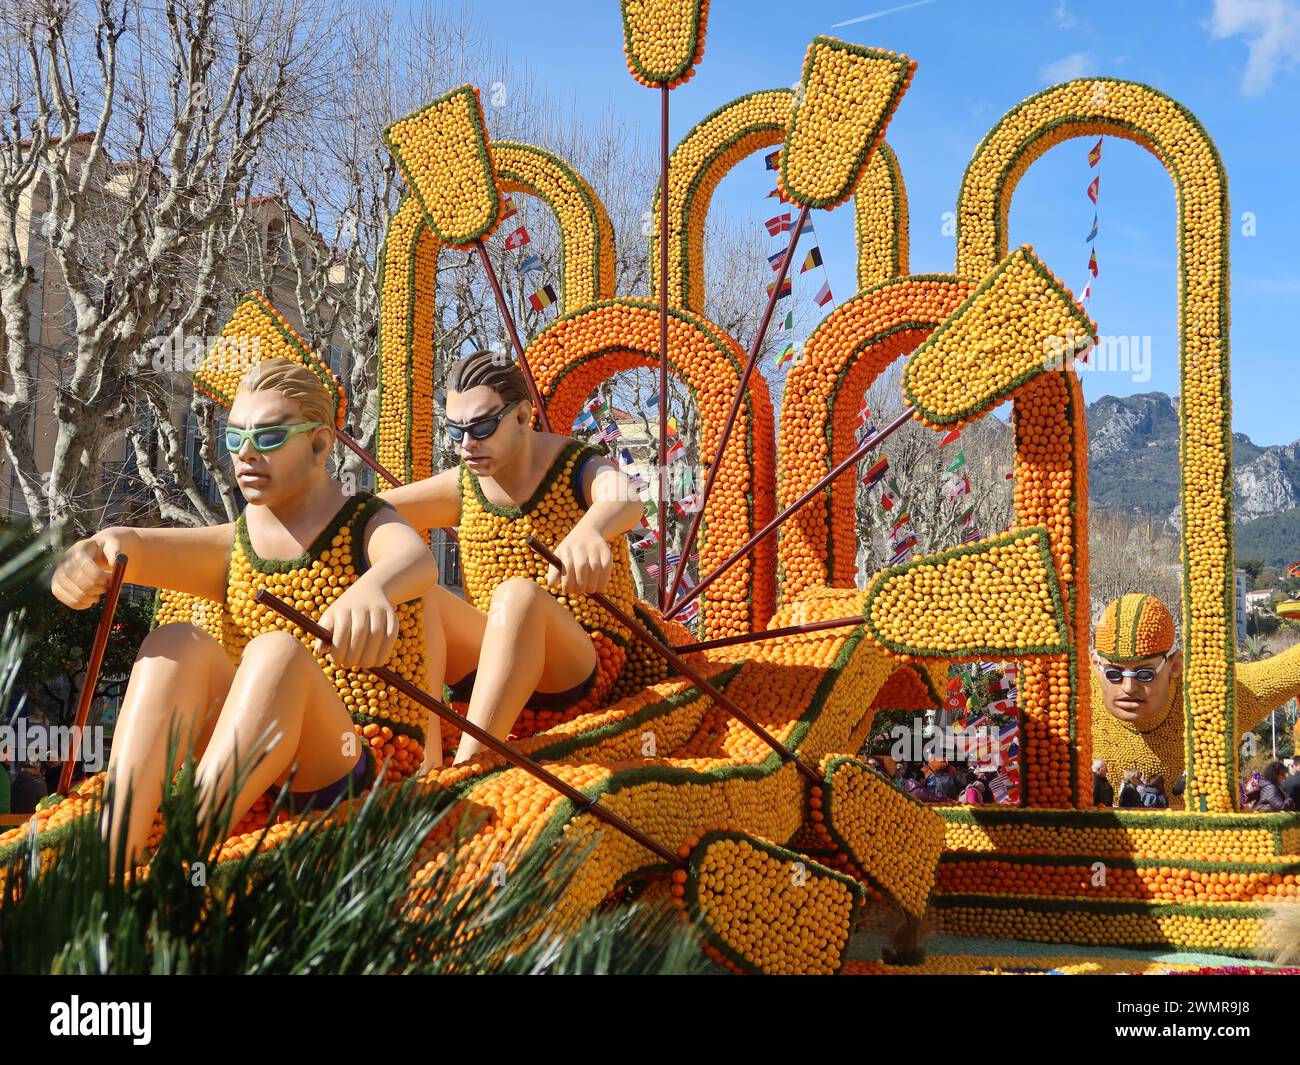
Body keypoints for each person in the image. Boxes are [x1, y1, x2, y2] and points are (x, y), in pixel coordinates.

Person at [50, 356, 441, 872]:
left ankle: (179, 862)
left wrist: (373, 589)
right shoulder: (238, 542)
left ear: (321, 444)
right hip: (250, 760)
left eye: (270, 438)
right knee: (174, 643)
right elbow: (134, 547)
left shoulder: (363, 519)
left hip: (353, 760)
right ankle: (108, 860)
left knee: (276, 650)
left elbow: (415, 558)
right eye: (234, 441)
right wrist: (91, 553)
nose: (246, 455)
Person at [380, 351, 665, 767]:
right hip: (493, 661)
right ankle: (427, 766)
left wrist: (590, 529)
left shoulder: (572, 466)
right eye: (454, 430)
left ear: (521, 417)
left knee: (517, 597)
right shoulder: (464, 485)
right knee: (417, 598)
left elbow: (623, 497)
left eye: (481, 427)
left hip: (580, 665)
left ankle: (469, 768)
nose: (466, 445)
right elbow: (368, 514)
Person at [1090, 593, 1300, 811]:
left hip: (1192, 837)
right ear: (1096, 664)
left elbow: (1291, 669)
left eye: (1144, 674)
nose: (1128, 687)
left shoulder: (1215, 692)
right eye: (1114, 673)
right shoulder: (1072, 696)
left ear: (1175, 666)